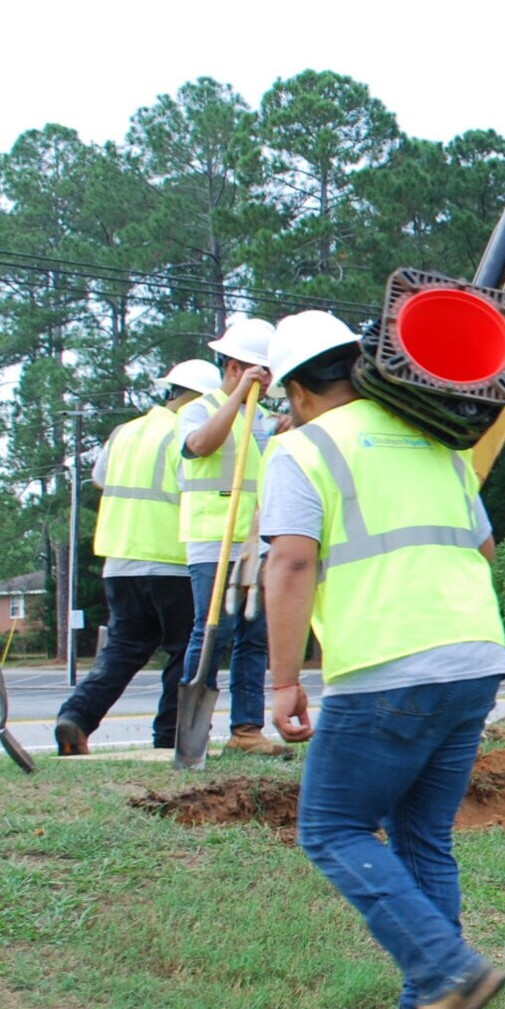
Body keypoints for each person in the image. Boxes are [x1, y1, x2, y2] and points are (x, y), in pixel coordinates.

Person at [260, 310, 505, 1009]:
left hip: (387, 663)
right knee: (421, 836)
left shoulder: (300, 449)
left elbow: (291, 565)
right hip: (473, 656)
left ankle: (448, 971)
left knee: (331, 829)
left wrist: (281, 681)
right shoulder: (436, 441)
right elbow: (484, 545)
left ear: (300, 390)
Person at [53, 362, 219, 755]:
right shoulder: (187, 434)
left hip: (121, 559)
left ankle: (77, 716)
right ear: (198, 399)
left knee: (124, 648)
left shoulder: (125, 432)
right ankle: (171, 737)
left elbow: (100, 478)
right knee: (185, 651)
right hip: (173, 559)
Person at [177, 316, 287, 757]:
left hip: (254, 541)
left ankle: (246, 730)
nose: (266, 382)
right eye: (258, 373)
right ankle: (190, 731)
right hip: (211, 539)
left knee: (253, 635)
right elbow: (200, 445)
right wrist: (239, 396)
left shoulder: (262, 418)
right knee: (211, 633)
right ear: (233, 367)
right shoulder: (198, 408)